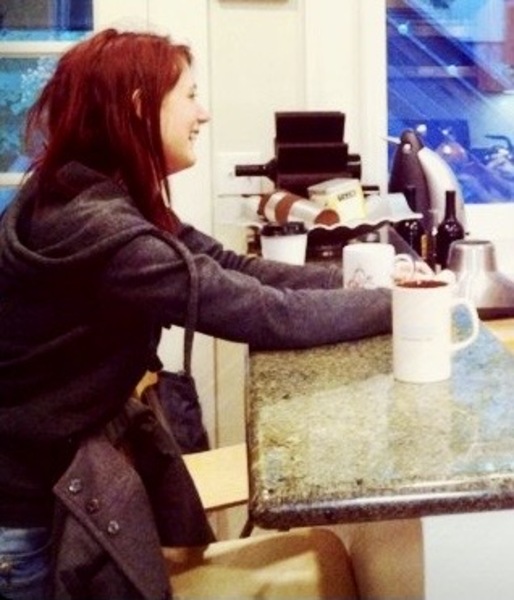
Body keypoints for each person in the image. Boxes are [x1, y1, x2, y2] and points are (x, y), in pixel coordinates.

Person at [0, 28, 421, 599]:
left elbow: (228, 266)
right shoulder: (106, 234)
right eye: (190, 95)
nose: (204, 113)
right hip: (23, 518)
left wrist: (366, 282)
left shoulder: (89, 194)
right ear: (140, 107)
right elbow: (265, 315)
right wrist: (406, 305)